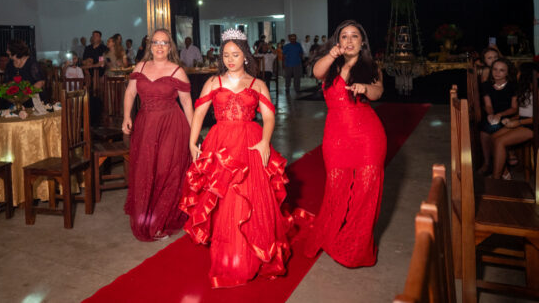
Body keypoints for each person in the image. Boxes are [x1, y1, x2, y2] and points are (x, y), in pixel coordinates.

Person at [180, 28, 291, 288]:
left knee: (247, 199)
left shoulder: (257, 84)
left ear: (245, 56)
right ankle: (227, 255)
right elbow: (199, 113)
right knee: (224, 199)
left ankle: (248, 256)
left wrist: (265, 141)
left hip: (250, 144)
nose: (230, 59)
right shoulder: (213, 82)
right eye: (226, 55)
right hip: (220, 144)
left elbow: (269, 116)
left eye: (236, 54)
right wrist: (192, 141)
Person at [304, 20, 386, 268]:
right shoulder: (331, 64)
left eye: (354, 36)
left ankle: (355, 247)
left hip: (368, 136)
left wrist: (365, 88)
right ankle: (334, 235)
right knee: (336, 187)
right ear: (338, 41)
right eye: (344, 36)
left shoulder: (370, 66)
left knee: (365, 192)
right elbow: (317, 72)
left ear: (362, 42)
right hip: (336, 135)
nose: (349, 40)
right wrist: (331, 55)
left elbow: (378, 91)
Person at [122, 29, 193, 241]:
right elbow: (130, 93)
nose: (160, 46)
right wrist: (126, 116)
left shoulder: (177, 71)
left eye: (164, 43)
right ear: (150, 46)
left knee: (165, 171)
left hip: (171, 126)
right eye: (155, 42)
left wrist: (193, 135)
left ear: (170, 47)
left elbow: (187, 103)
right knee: (145, 170)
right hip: (145, 126)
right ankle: (147, 216)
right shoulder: (140, 67)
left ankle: (160, 221)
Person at [490, 63, 539, 179]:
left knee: (500, 141)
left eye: (519, 72)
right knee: (493, 137)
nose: (517, 74)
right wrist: (511, 120)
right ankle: (504, 172)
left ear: (525, 75)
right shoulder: (524, 90)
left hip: (536, 126)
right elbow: (523, 114)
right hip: (524, 122)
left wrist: (519, 123)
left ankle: (496, 178)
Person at [478, 58, 518, 174]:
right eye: (495, 69)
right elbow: (488, 105)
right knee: (484, 129)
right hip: (493, 114)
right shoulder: (486, 85)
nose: (497, 73)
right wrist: (491, 114)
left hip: (508, 115)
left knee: (494, 128)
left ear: (507, 72)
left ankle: (502, 163)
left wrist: (500, 115)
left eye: (501, 70)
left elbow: (514, 108)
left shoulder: (513, 86)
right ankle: (487, 163)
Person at [3, 39, 46, 104]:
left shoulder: (31, 63)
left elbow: (40, 82)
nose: (6, 51)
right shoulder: (9, 65)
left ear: (14, 50)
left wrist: (25, 95)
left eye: (8, 49)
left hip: (32, 98)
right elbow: (6, 83)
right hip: (14, 99)